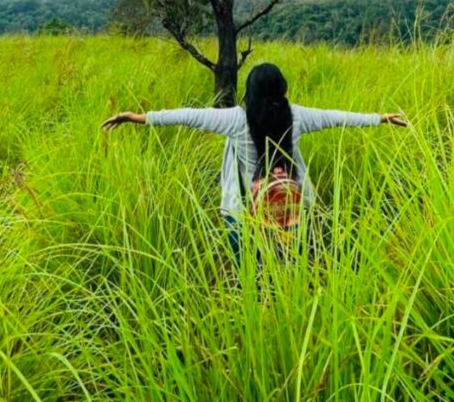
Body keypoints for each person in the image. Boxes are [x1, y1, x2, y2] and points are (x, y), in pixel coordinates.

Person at [101, 62, 408, 265]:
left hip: (243, 213)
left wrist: (138, 118)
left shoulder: (235, 119)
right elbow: (338, 117)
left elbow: (186, 115)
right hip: (291, 208)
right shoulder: (298, 115)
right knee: (291, 269)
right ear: (283, 89)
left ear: (249, 90)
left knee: (252, 278)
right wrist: (380, 118)